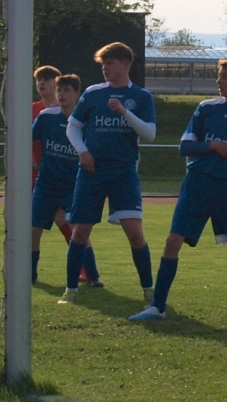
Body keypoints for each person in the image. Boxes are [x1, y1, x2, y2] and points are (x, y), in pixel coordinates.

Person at [131, 59, 227, 322]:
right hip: (196, 185)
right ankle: (158, 307)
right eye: (218, 76)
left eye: (225, 77)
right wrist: (212, 146)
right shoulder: (206, 109)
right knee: (172, 241)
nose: (218, 81)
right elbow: (184, 148)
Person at [62, 42, 159, 303]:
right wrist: (82, 151)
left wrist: (125, 112)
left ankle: (149, 290)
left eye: (110, 63)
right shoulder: (93, 93)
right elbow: (72, 127)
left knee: (135, 233)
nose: (104, 68)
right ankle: (70, 290)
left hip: (123, 173)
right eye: (103, 63)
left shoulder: (141, 96)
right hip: (91, 172)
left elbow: (149, 134)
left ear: (125, 64)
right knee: (80, 232)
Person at [31, 69, 100, 287]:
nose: (61, 94)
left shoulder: (87, 122)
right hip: (45, 186)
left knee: (77, 229)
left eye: (66, 91)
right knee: (33, 230)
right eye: (59, 90)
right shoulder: (46, 117)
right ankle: (29, 273)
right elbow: (27, 139)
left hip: (73, 186)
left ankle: (92, 275)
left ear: (77, 94)